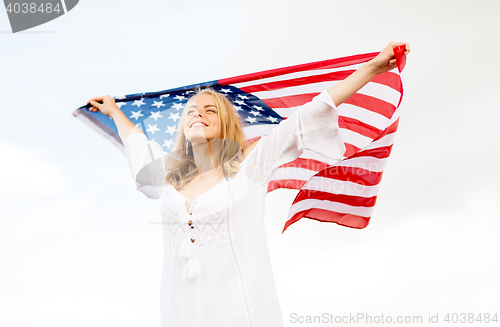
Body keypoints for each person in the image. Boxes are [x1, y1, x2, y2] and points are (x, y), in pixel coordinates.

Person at [87, 42, 410, 327]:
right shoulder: (169, 179)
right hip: (180, 317)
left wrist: (371, 68)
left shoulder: (250, 168)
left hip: (243, 316)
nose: (197, 115)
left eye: (209, 110)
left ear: (225, 121)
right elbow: (140, 147)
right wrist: (114, 111)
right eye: (190, 112)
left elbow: (308, 115)